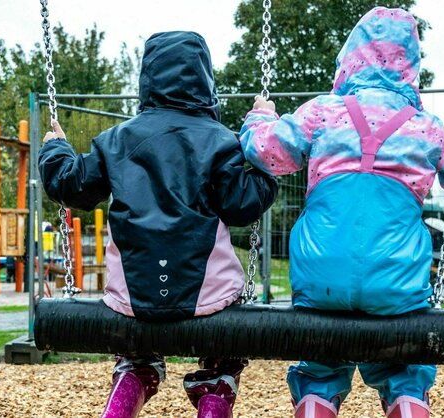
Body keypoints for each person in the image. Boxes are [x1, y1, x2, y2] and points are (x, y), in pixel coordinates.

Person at [239, 8, 444, 418]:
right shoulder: (427, 127)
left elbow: (264, 151)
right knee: (403, 366)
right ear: (410, 67)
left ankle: (315, 401)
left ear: (350, 59)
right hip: (396, 281)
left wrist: (261, 114)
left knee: (320, 365)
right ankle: (407, 400)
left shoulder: (322, 112)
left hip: (320, 275)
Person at [39, 31, 278, 418]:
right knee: (225, 351)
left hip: (132, 299)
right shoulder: (220, 141)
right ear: (206, 83)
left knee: (134, 355)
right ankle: (216, 389)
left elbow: (71, 186)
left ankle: (132, 381)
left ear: (146, 80)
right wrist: (265, 160)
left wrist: (55, 148)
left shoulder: (115, 140)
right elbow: (242, 206)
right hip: (208, 299)